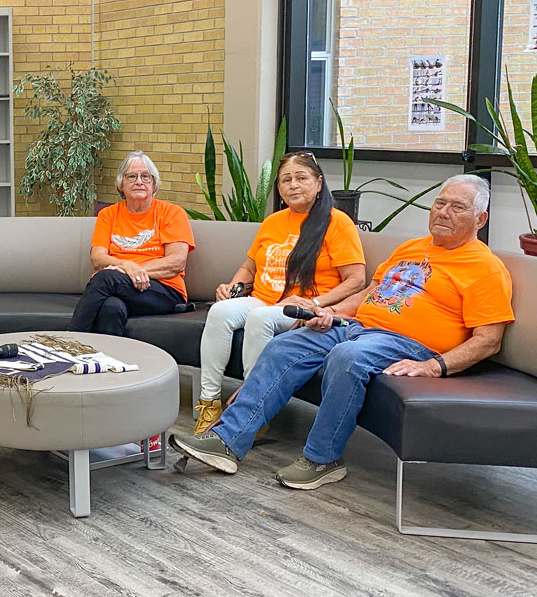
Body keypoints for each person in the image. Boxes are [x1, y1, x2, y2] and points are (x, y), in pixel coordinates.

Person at [170, 174, 514, 490]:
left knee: (346, 357)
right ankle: (227, 441)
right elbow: (368, 295)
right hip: (357, 327)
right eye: (440, 203)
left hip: (409, 344)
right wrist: (328, 313)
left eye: (458, 207)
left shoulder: (485, 268)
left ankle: (323, 458)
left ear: (480, 219)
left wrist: (433, 366)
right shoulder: (410, 249)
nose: (443, 212)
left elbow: (488, 340)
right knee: (285, 345)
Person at [194, 151, 366, 434]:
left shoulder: (337, 223)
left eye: (301, 178)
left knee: (261, 318)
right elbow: (249, 268)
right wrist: (232, 287)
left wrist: (314, 302)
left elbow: (356, 280)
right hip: (262, 298)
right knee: (220, 311)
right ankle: (209, 400)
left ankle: (252, 408)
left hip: (302, 309)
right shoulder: (274, 221)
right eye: (286, 180)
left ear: (319, 183)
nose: (293, 185)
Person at [69, 151, 195, 335]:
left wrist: (132, 271)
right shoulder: (108, 214)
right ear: (121, 184)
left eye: (146, 176)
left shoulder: (172, 213)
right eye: (132, 176)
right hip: (120, 286)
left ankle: (69, 342)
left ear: (154, 184)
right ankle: (110, 363)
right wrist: (127, 267)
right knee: (111, 307)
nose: (139, 181)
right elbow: (97, 258)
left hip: (163, 290)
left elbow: (176, 262)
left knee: (104, 277)